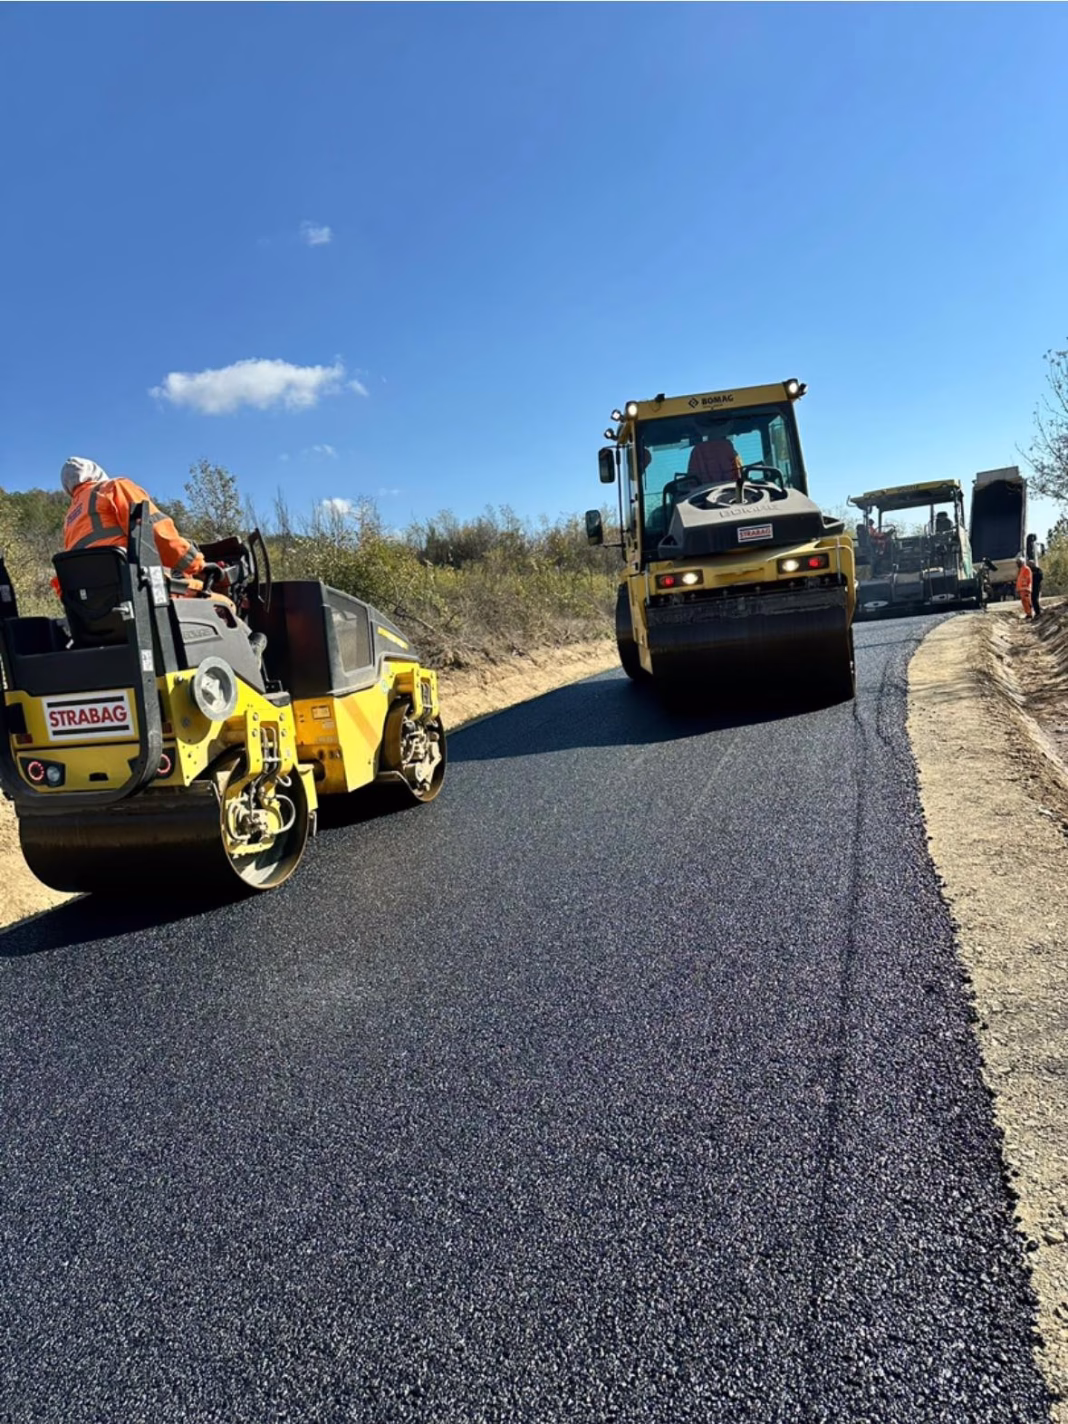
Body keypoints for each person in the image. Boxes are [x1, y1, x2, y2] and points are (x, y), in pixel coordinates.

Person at [59, 457, 205, 585]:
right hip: (135, 587)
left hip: (95, 601)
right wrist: (197, 564)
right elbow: (157, 534)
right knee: (220, 602)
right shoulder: (112, 487)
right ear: (97, 472)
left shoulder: (69, 520)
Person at [1015, 555, 1033, 621]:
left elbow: (1027, 578)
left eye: (1018, 563)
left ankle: (1030, 614)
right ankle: (1028, 613)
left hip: (1026, 588)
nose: (1017, 564)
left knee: (1027, 601)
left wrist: (1024, 585)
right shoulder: (1021, 570)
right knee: (1024, 602)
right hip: (1021, 589)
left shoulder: (1026, 569)